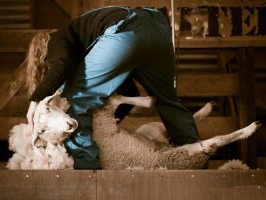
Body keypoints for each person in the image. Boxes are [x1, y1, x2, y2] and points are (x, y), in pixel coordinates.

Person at [26, 6, 199, 169]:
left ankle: (87, 174)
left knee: (75, 100)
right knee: (168, 101)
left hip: (125, 31)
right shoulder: (91, 43)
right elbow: (129, 93)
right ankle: (196, 159)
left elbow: (61, 64)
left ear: (44, 54)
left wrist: (35, 99)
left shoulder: (57, 39)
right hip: (158, 27)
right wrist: (104, 126)